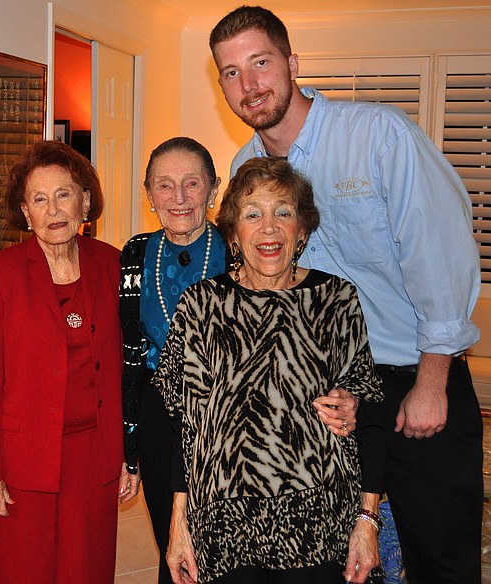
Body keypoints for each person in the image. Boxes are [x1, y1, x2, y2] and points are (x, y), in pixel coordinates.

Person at [210, 7, 482, 583]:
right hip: (321, 398)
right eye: (231, 73)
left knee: (437, 553)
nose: (250, 85)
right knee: (340, 562)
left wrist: (432, 382)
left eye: (261, 63)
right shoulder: (244, 170)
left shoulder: (378, 135)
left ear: (293, 64)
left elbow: (441, 253)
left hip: (410, 376)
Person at [119, 137, 359, 584]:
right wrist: (128, 441)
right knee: (176, 539)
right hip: (165, 408)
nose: (179, 196)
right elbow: (126, 351)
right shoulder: (133, 253)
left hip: (239, 419)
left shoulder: (244, 244)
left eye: (192, 183)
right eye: (165, 185)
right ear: (148, 193)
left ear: (213, 192)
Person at [0, 140, 140, 583]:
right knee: (25, 570)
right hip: (23, 458)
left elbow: (127, 370)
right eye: (39, 199)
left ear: (84, 200)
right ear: (25, 213)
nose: (54, 209)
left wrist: (128, 454)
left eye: (63, 194)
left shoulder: (114, 265)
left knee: (88, 570)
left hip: (94, 456)